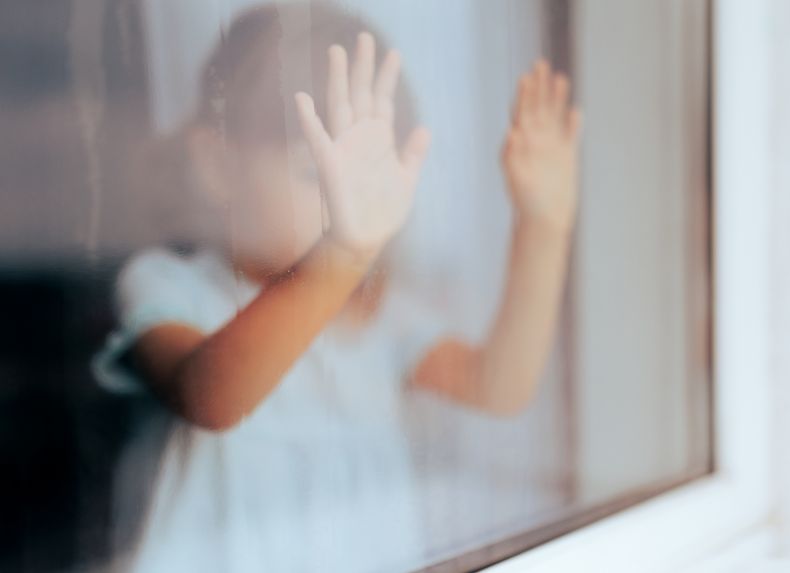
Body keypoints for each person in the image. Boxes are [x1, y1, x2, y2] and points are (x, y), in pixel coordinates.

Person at [92, 3, 581, 572]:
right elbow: (213, 398)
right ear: (218, 166)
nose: (348, 204)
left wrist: (542, 227)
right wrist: (344, 251)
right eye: (316, 174)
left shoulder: (383, 319)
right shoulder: (169, 285)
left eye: (369, 178)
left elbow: (499, 386)